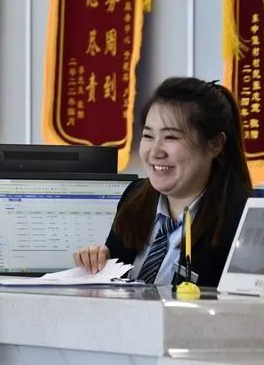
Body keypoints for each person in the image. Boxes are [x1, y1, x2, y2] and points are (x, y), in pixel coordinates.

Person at [74, 77, 252, 287]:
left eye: (171, 137)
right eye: (148, 136)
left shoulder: (242, 220)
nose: (155, 152)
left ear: (215, 145)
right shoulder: (134, 198)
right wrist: (97, 264)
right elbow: (115, 286)